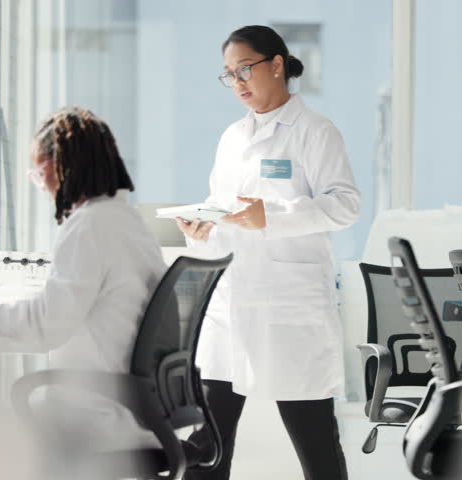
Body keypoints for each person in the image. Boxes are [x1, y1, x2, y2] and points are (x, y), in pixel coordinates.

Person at [0, 106, 167, 451]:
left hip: (95, 413)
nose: (42, 184)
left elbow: (46, 327)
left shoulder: (90, 225)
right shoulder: (129, 222)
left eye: (38, 171)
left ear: (58, 165)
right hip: (139, 409)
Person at [176, 25, 359, 480]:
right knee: (209, 444)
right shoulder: (232, 138)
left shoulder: (315, 132)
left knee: (314, 438)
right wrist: (201, 231)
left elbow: (345, 205)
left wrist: (272, 216)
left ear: (277, 65)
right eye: (229, 75)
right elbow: (224, 214)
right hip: (231, 305)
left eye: (245, 69)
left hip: (288, 307)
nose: (237, 82)